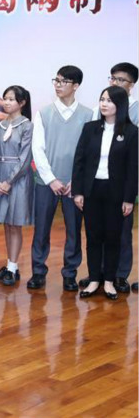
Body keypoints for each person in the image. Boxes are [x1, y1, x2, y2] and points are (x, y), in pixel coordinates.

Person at [28, 66, 93, 292]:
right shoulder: (44, 113)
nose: (57, 85)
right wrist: (51, 179)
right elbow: (38, 149)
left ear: (76, 86)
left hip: (75, 184)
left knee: (74, 230)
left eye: (63, 81)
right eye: (56, 80)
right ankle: (38, 272)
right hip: (47, 182)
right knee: (41, 228)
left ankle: (70, 274)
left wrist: (77, 180)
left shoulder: (89, 115)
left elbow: (89, 152)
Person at [73, 86, 138, 300]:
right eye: (102, 99)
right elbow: (79, 162)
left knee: (112, 237)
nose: (104, 104)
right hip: (92, 190)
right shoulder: (90, 128)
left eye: (109, 100)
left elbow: (132, 169)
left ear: (119, 105)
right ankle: (94, 280)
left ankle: (109, 281)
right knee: (93, 236)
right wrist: (78, 192)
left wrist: (129, 198)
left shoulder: (131, 132)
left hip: (116, 192)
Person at [0, 86, 34, 286]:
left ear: (22, 103)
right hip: (0, 178)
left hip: (19, 181)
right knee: (7, 224)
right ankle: (9, 266)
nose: (6, 102)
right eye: (5, 98)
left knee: (15, 225)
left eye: (11, 99)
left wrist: (8, 181)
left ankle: (14, 267)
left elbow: (25, 159)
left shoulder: (27, 126)